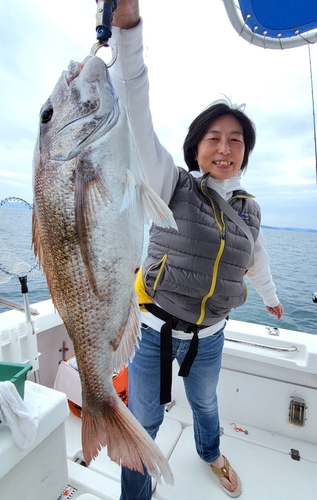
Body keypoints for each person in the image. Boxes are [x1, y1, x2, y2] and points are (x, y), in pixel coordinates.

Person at [110, 1, 284, 498]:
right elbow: (136, 108)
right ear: (196, 147)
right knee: (143, 420)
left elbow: (256, 256)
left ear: (245, 152)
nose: (225, 147)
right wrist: (128, 31)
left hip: (211, 334)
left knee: (205, 404)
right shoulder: (169, 183)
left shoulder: (250, 208)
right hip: (152, 330)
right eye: (214, 137)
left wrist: (269, 294)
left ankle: (210, 453)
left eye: (236, 139)